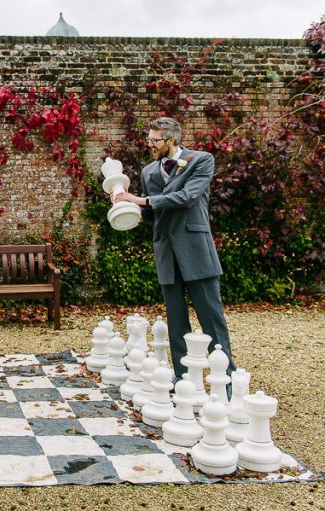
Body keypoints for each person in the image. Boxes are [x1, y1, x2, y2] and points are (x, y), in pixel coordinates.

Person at [111, 117, 236, 379]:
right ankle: (183, 379)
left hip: (195, 248)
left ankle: (226, 378)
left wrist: (142, 199)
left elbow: (187, 197)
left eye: (155, 140)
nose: (150, 145)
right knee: (176, 320)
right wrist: (125, 207)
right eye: (148, 139)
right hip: (166, 252)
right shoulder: (148, 172)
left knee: (211, 317)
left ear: (171, 140)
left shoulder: (201, 160)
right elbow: (152, 214)